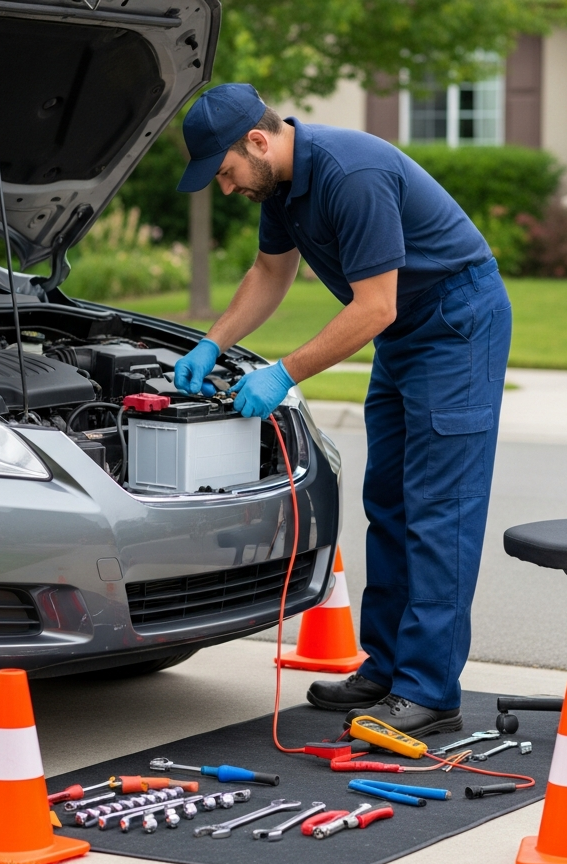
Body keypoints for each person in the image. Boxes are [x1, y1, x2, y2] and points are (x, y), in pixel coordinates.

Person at [172, 83, 511, 738]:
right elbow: (272, 273)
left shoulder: (349, 174)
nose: (227, 187)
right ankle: (386, 669)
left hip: (456, 322)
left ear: (258, 142)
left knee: (439, 509)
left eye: (225, 171)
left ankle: (429, 691)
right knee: (388, 500)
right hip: (405, 331)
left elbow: (375, 305)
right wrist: (213, 343)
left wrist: (284, 373)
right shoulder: (283, 187)